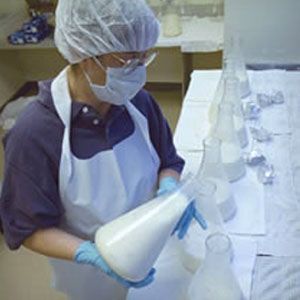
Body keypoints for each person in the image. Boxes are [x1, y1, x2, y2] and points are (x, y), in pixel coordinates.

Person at [0, 0, 206, 299]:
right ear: (84, 54)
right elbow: (28, 228)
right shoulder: (35, 134)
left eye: (143, 58)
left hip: (153, 250)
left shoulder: (139, 102)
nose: (137, 71)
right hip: (92, 275)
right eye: (126, 60)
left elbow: (168, 161)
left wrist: (170, 191)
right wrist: (92, 253)